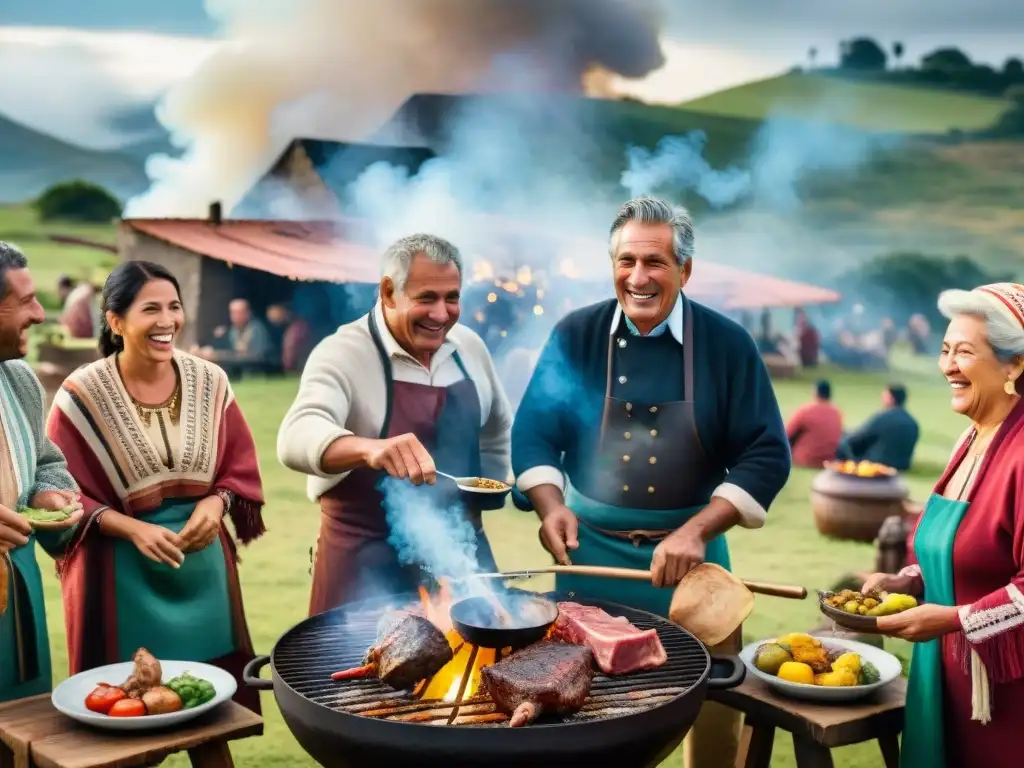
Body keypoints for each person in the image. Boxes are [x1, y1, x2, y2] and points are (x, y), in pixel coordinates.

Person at [511, 197, 791, 768]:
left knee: (713, 709)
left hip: (695, 565)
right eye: (626, 261)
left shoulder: (728, 344)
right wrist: (549, 507)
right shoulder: (576, 335)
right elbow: (535, 434)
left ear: (685, 270)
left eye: (656, 263)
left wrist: (696, 531)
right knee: (581, 718)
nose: (638, 278)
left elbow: (766, 452)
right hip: (589, 557)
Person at [47, 260, 266, 713]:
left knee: (212, 713)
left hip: (203, 570)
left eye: (174, 306)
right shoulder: (80, 395)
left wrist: (216, 502)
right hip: (118, 576)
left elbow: (238, 467)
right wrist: (132, 529)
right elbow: (58, 493)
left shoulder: (212, 381)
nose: (167, 321)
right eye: (151, 309)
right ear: (115, 320)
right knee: (121, 717)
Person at [277, 234, 513, 614]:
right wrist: (370, 448)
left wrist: (492, 490)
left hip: (461, 556)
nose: (441, 314)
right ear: (389, 292)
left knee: (489, 666)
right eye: (426, 298)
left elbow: (498, 427)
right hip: (365, 564)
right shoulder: (343, 353)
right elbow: (295, 436)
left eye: (451, 297)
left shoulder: (469, 347)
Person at [861, 282, 1024, 768]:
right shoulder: (969, 439)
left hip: (1003, 698)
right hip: (945, 674)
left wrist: (952, 619)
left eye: (965, 352)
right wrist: (909, 580)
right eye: (945, 349)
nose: (947, 365)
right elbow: (949, 546)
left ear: (1014, 364)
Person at [0, 242, 82, 703]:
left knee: (22, 731)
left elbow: (47, 463)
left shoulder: (19, 381)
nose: (38, 314)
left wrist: (49, 494)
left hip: (19, 603)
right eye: (26, 301)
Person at [837, 383, 919, 470]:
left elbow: (859, 438)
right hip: (902, 464)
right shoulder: (912, 422)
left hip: (878, 463)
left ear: (891, 398)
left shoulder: (884, 417)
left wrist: (846, 435)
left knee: (844, 444)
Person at [786, 379, 843, 468]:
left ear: (815, 392)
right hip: (830, 459)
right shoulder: (837, 411)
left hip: (807, 458)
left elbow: (787, 434)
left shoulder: (806, 410)